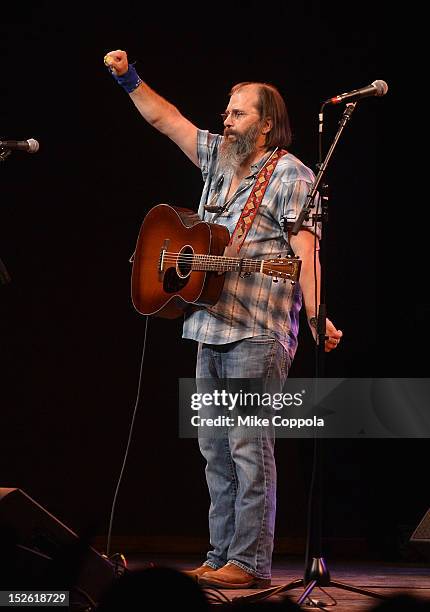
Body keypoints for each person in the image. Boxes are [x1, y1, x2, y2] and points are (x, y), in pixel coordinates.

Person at [104, 50, 343, 589]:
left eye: (237, 114)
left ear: (265, 123)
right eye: (227, 112)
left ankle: (251, 562)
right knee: (215, 450)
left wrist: (315, 315)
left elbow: (305, 251)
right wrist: (128, 78)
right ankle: (220, 557)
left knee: (248, 447)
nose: (225, 120)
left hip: (257, 328)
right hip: (207, 326)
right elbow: (166, 120)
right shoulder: (218, 159)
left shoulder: (290, 175)